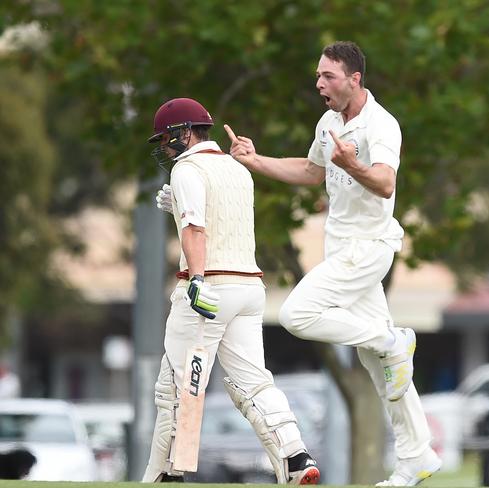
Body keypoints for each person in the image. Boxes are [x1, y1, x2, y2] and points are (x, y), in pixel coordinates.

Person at [224, 41, 442, 486]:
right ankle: (417, 455)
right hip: (341, 249)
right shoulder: (328, 122)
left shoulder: (382, 125)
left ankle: (391, 338)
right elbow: (310, 171)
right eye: (319, 75)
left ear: (354, 79)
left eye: (328, 76)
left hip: (368, 247)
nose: (319, 83)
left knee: (295, 315)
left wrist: (353, 163)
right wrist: (253, 160)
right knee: (381, 368)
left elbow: (383, 183)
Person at [143, 97, 319, 484]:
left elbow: (196, 230)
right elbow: (220, 217)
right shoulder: (238, 170)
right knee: (253, 382)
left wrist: (197, 281)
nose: (163, 148)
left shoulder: (187, 169)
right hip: (249, 288)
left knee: (178, 387)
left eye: (166, 139)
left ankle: (166, 475)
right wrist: (179, 205)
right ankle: (295, 458)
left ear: (182, 132)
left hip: (210, 288)